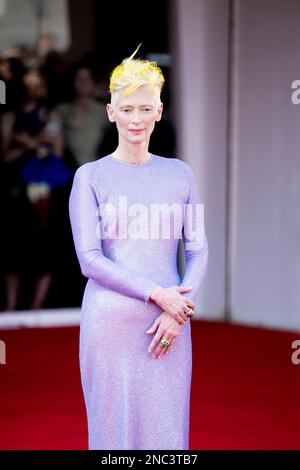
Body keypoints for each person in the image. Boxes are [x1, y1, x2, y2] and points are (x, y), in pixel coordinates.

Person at [68, 45, 209, 450]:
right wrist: (159, 295)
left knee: (167, 434)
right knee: (113, 437)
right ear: (110, 111)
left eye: (145, 108)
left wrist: (177, 312)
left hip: (170, 326)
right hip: (109, 325)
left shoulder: (180, 174)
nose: (136, 119)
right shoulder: (89, 177)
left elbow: (198, 250)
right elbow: (89, 260)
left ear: (159, 111)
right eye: (126, 108)